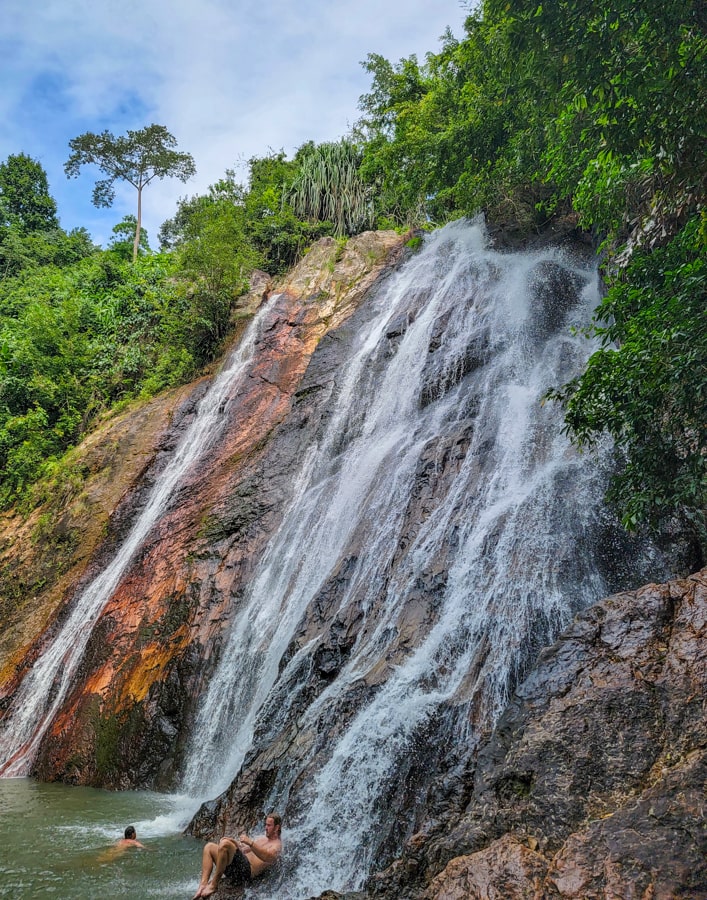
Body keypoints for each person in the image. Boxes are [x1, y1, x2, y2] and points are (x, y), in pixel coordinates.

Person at [192, 813, 282, 898]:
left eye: (269, 825)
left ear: (277, 827)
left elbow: (268, 857)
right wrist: (234, 842)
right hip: (237, 868)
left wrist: (250, 842)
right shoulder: (262, 839)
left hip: (246, 873)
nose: (266, 828)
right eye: (265, 825)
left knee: (225, 844)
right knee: (209, 847)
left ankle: (214, 885)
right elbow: (243, 850)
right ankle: (203, 885)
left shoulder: (277, 845)